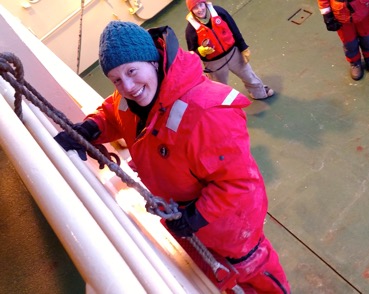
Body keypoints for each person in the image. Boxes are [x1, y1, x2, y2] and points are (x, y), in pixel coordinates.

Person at [54, 21, 290, 293]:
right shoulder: (132, 98)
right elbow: (113, 113)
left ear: (153, 62)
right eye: (116, 79)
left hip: (229, 226)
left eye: (132, 71)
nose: (128, 86)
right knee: (215, 276)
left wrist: (196, 217)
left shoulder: (208, 112)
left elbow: (239, 183)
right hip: (184, 219)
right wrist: (88, 129)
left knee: (251, 270)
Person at [185, 0, 274, 100]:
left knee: (248, 75)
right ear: (191, 10)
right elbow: (192, 53)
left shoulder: (219, 12)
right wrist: (200, 52)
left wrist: (243, 47)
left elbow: (234, 29)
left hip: (233, 53)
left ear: (205, 3)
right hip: (214, 64)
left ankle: (259, 92)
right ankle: (224, 107)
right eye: (195, 8)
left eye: (201, 5)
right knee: (219, 88)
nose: (200, 9)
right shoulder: (190, 30)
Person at [317, 0, 369, 81]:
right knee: (349, 44)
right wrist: (327, 17)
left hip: (364, 12)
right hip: (341, 17)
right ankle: (355, 63)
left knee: (367, 39)